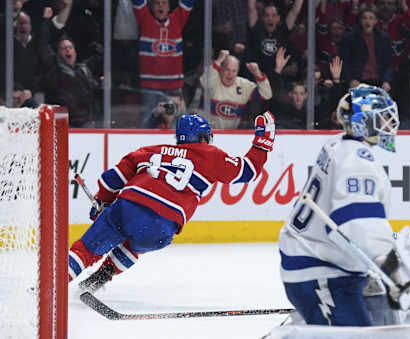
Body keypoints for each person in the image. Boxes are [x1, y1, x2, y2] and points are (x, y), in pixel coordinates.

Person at [277, 84, 410, 327]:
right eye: (383, 117)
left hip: (324, 263)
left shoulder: (338, 144)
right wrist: (397, 279)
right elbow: (361, 228)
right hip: (319, 273)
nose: (389, 123)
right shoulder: (358, 163)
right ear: (365, 122)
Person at [68, 111, 276, 293]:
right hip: (165, 225)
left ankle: (52, 285)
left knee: (86, 250)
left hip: (129, 206)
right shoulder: (212, 156)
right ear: (203, 137)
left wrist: (102, 205)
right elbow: (247, 171)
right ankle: (98, 280)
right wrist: (262, 143)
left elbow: (111, 179)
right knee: (137, 244)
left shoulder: (152, 150)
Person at [131, 0, 195, 126]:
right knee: (147, 126)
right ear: (152, 7)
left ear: (169, 7)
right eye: (157, 3)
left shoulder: (177, 19)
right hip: (151, 88)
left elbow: (188, 2)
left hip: (174, 88)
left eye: (164, 3)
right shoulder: (145, 19)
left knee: (182, 127)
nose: (160, 6)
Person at [200, 49, 272, 129]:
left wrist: (258, 74)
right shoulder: (213, 80)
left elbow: (267, 95)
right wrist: (219, 60)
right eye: (227, 69)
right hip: (208, 133)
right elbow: (203, 81)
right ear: (221, 69)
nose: (230, 74)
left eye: (234, 71)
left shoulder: (244, 85)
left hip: (232, 135)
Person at [339, 4, 393, 92]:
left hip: (379, 82)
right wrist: (351, 80)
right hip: (358, 82)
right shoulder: (350, 38)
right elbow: (344, 63)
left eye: (371, 18)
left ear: (376, 21)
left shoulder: (384, 38)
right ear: (360, 20)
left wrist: (387, 81)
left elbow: (388, 64)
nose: (367, 21)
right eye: (364, 18)